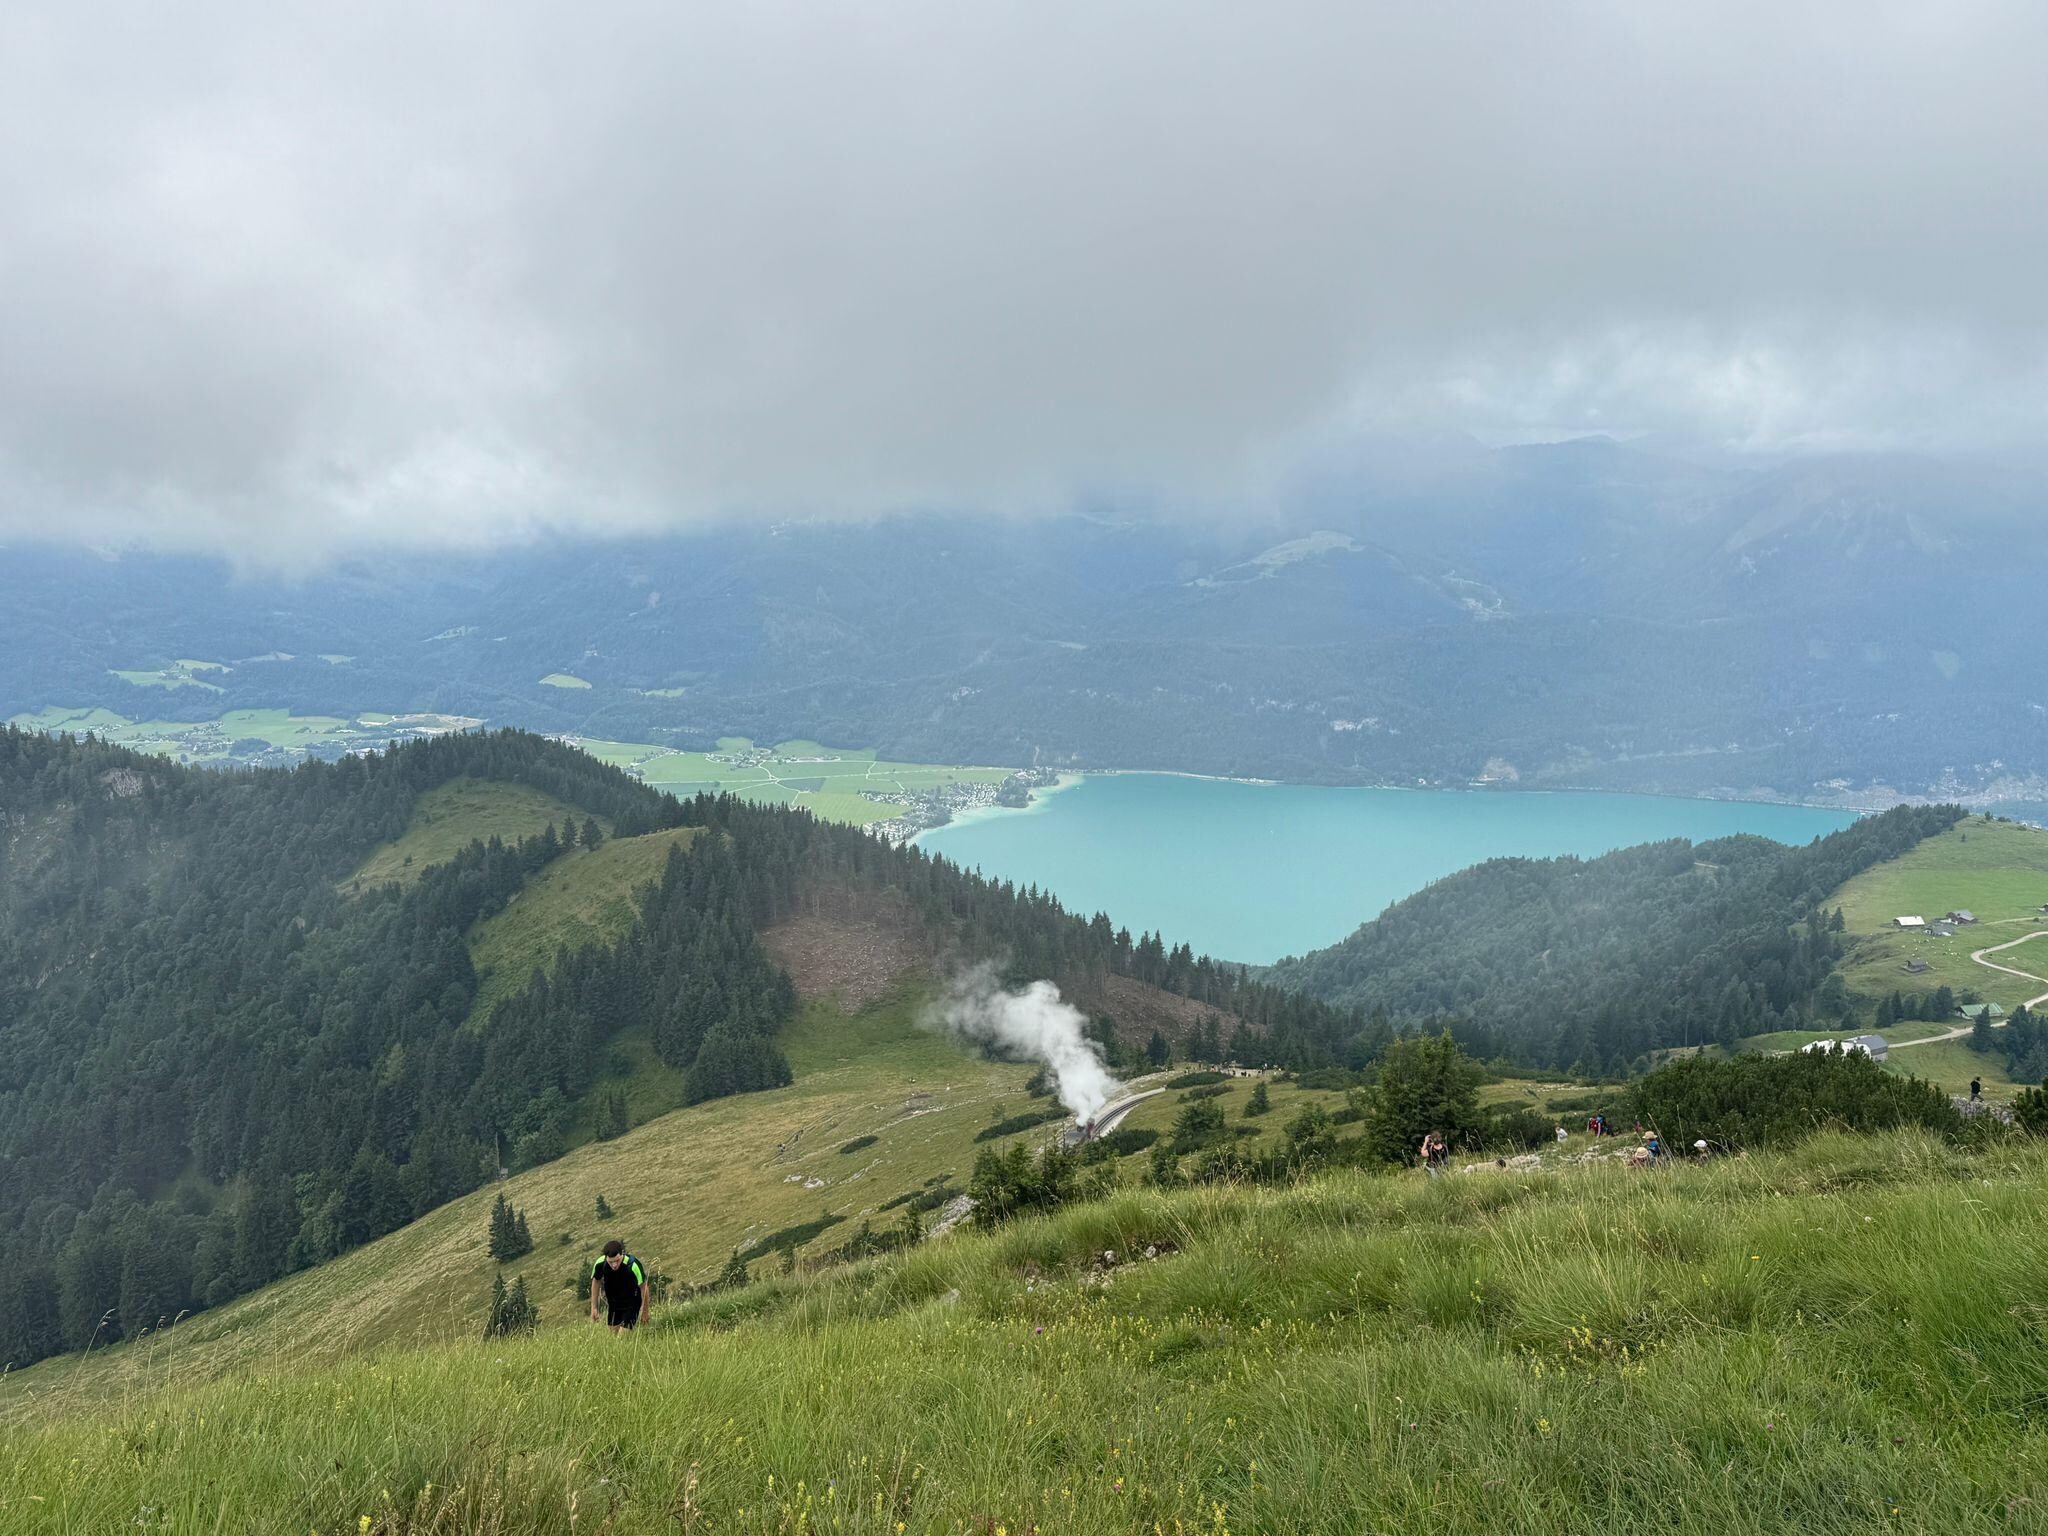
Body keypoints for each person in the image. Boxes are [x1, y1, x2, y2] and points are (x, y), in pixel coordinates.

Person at [590, 1239, 650, 1332]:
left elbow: (644, 1287)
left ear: (622, 1253)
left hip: (632, 1304)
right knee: (615, 1340)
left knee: (621, 1338)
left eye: (617, 1261)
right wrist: (593, 1307)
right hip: (613, 1305)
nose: (614, 1265)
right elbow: (596, 1281)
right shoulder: (600, 1264)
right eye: (611, 1262)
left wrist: (645, 1311)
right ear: (606, 1257)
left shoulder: (632, 1264)